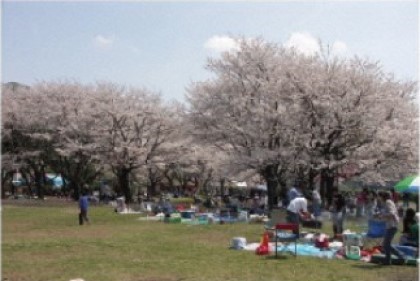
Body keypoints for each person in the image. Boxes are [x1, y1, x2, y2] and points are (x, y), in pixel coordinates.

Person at [374, 191, 406, 265]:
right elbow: (386, 213)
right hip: (390, 225)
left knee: (386, 244)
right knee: (386, 244)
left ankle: (398, 257)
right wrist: (379, 215)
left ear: (383, 196)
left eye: (379, 196)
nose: (378, 198)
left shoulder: (388, 202)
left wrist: (381, 215)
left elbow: (391, 213)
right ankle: (391, 259)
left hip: (392, 226)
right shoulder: (386, 203)